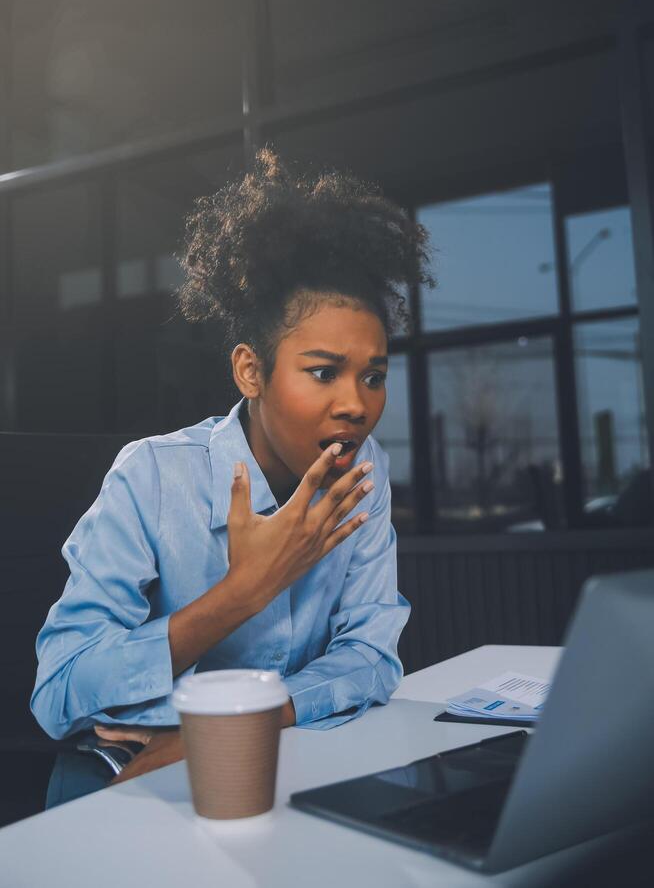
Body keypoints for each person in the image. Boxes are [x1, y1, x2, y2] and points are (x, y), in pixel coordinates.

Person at [32, 149, 435, 803]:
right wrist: (242, 592)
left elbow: (371, 657)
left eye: (374, 375)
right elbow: (60, 693)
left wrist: (222, 726)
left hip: (275, 764)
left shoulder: (364, 471)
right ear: (251, 371)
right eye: (324, 370)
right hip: (124, 786)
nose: (357, 403)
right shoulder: (154, 477)